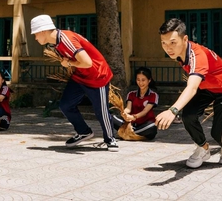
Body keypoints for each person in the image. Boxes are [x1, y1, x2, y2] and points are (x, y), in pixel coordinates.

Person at [155, 18, 222, 168]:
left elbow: (192, 87)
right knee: (188, 116)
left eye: (173, 42)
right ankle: (203, 147)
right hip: (206, 87)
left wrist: (173, 110)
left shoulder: (197, 55)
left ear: (185, 39)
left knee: (218, 134)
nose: (168, 48)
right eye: (164, 43)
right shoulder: (180, 53)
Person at [30, 14, 118, 151]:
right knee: (65, 105)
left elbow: (88, 63)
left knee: (101, 111)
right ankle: (84, 131)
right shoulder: (56, 43)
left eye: (35, 34)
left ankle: (110, 139)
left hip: (97, 76)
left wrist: (69, 62)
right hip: (80, 75)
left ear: (42, 31)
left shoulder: (66, 39)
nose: (35, 38)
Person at [111, 67, 159, 140]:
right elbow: (128, 109)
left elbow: (145, 112)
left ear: (149, 80)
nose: (140, 83)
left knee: (152, 126)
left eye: (143, 80)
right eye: (138, 80)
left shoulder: (153, 95)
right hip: (131, 124)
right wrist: (124, 113)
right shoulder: (131, 94)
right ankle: (131, 133)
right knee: (110, 118)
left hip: (145, 125)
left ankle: (127, 133)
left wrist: (133, 117)